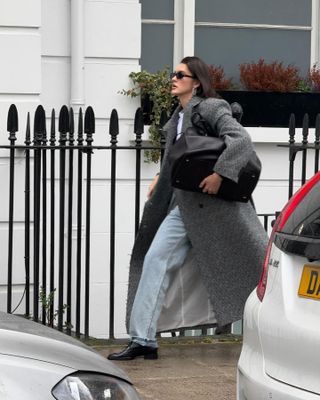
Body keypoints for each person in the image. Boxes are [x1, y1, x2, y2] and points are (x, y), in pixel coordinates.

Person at [108, 56, 268, 361]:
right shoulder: (178, 116)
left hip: (215, 208)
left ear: (196, 82)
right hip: (186, 205)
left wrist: (220, 175)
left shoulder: (210, 107)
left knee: (259, 270)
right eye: (173, 73)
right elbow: (179, 158)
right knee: (155, 260)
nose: (173, 78)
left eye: (181, 74)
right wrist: (159, 176)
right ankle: (143, 339)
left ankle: (276, 332)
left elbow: (241, 141)